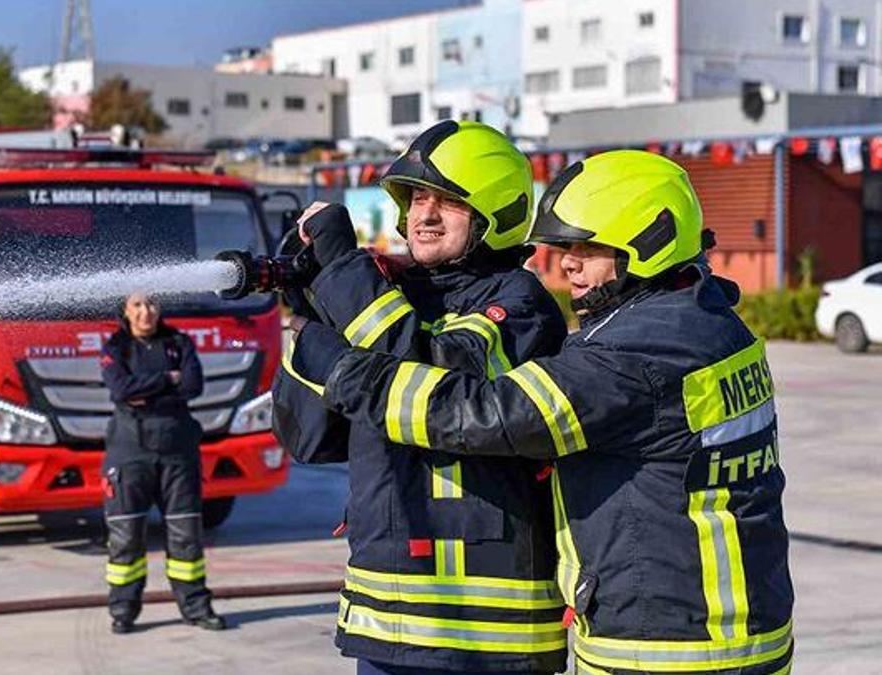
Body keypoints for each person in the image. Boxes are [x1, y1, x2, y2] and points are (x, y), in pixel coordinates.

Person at [291, 150, 795, 674]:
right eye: (564, 247)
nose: (568, 263)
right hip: (737, 631)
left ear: (650, 242)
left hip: (665, 646)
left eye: (587, 246)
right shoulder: (710, 323)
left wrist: (341, 368)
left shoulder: (631, 356)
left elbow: (474, 415)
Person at [274, 120, 569, 675]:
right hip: (386, 623)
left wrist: (342, 271)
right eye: (415, 198)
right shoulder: (388, 302)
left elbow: (426, 373)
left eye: (447, 202)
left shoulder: (521, 305)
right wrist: (312, 307)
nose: (423, 216)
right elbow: (309, 438)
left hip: (487, 635)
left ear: (496, 214)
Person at [100, 291, 225, 634]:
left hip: (178, 451)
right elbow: (121, 390)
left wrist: (149, 390)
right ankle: (123, 611)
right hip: (129, 452)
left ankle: (196, 608)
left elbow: (194, 385)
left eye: (152, 304)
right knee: (126, 536)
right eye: (138, 305)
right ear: (125, 310)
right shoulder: (116, 348)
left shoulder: (179, 343)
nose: (146, 312)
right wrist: (167, 380)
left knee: (186, 535)